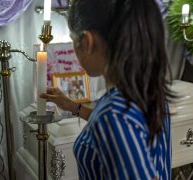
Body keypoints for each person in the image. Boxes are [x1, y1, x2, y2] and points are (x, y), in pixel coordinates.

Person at [40, 0, 173, 179]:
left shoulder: (115, 116)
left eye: (73, 40)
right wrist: (72, 106)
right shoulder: (147, 90)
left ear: (87, 42)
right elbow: (114, 128)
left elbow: (114, 123)